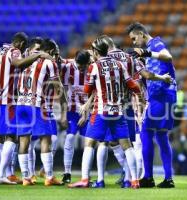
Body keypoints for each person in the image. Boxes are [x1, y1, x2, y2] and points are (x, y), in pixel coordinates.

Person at [0, 32, 52, 184]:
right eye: (24, 47)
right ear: (21, 44)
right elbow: (18, 64)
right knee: (11, 137)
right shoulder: (14, 51)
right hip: (7, 100)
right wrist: (38, 56)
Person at [68, 37, 144, 189]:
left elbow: (87, 90)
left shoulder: (94, 67)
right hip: (118, 111)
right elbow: (133, 85)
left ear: (95, 52)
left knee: (89, 143)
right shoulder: (120, 65)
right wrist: (140, 97)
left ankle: (84, 179)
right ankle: (134, 181)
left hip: (101, 111)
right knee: (127, 146)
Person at [126, 22, 177, 188]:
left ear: (141, 33)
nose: (134, 42)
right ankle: (168, 179)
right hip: (165, 95)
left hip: (161, 95)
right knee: (161, 136)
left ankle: (148, 177)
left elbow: (168, 56)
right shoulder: (150, 51)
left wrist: (147, 52)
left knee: (145, 132)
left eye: (134, 38)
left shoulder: (155, 44)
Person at [17, 38, 68, 186]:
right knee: (46, 139)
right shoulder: (49, 62)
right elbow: (58, 87)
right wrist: (64, 109)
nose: (57, 56)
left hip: (21, 104)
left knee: (23, 141)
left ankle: (26, 178)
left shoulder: (26, 62)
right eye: (56, 53)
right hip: (38, 105)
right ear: (51, 51)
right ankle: (49, 177)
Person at [60, 50, 91, 184]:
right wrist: (62, 114)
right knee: (70, 137)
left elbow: (95, 93)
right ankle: (67, 172)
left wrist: (86, 113)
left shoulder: (93, 68)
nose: (80, 69)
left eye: (82, 66)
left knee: (89, 143)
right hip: (72, 109)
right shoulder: (68, 67)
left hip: (88, 109)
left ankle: (86, 175)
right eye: (78, 65)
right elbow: (63, 91)